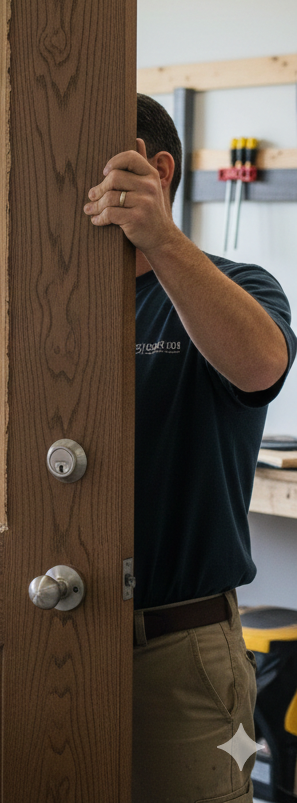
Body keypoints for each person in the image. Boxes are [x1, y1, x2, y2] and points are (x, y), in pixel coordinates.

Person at [84, 93, 296, 803]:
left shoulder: (238, 286)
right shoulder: (65, 302)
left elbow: (263, 364)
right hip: (58, 633)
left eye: (107, 174)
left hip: (176, 651)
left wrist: (162, 241)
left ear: (158, 169)